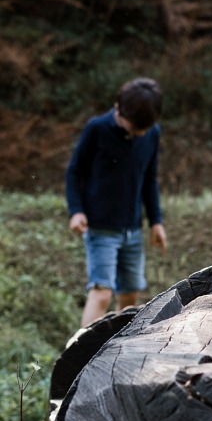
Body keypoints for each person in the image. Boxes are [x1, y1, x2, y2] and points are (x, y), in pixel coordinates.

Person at [65, 77, 168, 328]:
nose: (138, 134)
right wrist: (76, 211)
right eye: (133, 127)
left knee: (130, 296)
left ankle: (122, 351)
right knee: (102, 293)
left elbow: (149, 179)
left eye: (142, 129)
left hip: (132, 229)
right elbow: (74, 171)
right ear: (117, 108)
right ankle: (80, 357)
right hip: (100, 228)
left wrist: (156, 221)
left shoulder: (151, 133)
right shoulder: (97, 129)